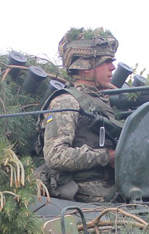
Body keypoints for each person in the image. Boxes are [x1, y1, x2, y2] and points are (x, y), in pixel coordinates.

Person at [37, 29, 122, 203]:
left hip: (111, 191)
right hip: (84, 197)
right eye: (106, 61)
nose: (112, 67)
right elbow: (56, 155)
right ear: (85, 68)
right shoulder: (66, 102)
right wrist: (106, 157)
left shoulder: (102, 103)